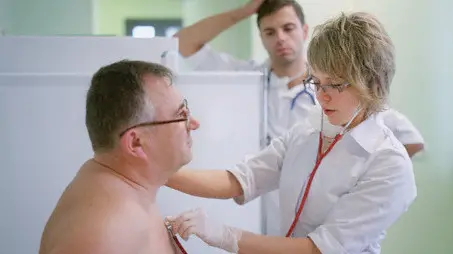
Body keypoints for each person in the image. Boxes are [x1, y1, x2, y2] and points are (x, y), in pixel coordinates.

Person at [165, 12, 417, 253]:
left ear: (371, 82)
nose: (320, 95)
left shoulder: (390, 165)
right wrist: (158, 172)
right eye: (316, 82)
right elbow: (241, 179)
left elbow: (317, 249)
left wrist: (223, 234)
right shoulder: (307, 130)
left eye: (335, 84)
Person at [39, 60, 199, 254]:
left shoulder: (126, 186)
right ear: (136, 143)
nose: (194, 124)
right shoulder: (106, 232)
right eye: (181, 115)